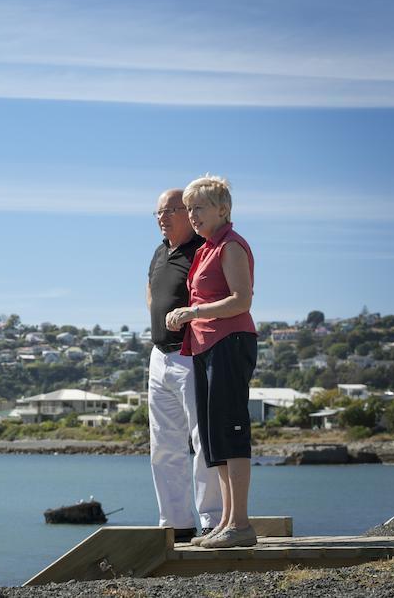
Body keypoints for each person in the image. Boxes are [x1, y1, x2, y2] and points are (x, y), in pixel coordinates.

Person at [167, 175, 258, 549]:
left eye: (199, 207)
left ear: (223, 209)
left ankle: (241, 525)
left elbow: (242, 301)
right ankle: (226, 521)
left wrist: (193, 311)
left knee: (231, 433)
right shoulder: (206, 248)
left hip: (230, 342)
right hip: (205, 346)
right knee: (213, 437)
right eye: (188, 209)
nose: (192, 215)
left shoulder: (231, 246)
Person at [147, 189, 223, 543]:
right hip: (159, 355)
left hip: (191, 353)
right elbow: (151, 292)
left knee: (201, 438)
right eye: (158, 212)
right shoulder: (160, 253)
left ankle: (211, 519)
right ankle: (175, 523)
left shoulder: (201, 250)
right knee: (163, 444)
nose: (162, 217)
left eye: (169, 210)